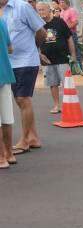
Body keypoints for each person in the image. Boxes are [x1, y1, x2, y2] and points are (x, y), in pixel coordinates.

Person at [0, 0, 46, 155]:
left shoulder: (22, 7)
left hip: (26, 60)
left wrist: (35, 49)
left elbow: (41, 31)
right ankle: (33, 138)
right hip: (8, 63)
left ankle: (25, 140)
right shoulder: (1, 10)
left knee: (22, 99)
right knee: (20, 100)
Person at [37, 2, 74, 114]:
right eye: (38, 10)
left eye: (43, 9)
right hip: (47, 60)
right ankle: (56, 105)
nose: (41, 12)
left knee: (67, 83)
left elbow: (69, 38)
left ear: (49, 10)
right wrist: (39, 54)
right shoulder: (38, 25)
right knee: (52, 84)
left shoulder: (59, 22)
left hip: (62, 58)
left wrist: (73, 55)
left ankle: (70, 105)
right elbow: (35, 42)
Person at [0, 14, 14, 169]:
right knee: (7, 117)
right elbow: (10, 48)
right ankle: (9, 154)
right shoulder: (2, 22)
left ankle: (1, 157)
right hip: (4, 72)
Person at [58, 0, 80, 65]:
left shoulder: (71, 10)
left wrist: (66, 29)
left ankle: (79, 68)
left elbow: (76, 22)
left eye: (62, 2)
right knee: (67, 51)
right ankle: (71, 68)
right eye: (60, 3)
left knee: (75, 50)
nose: (61, 4)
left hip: (71, 34)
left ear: (67, 3)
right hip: (64, 35)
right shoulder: (62, 12)